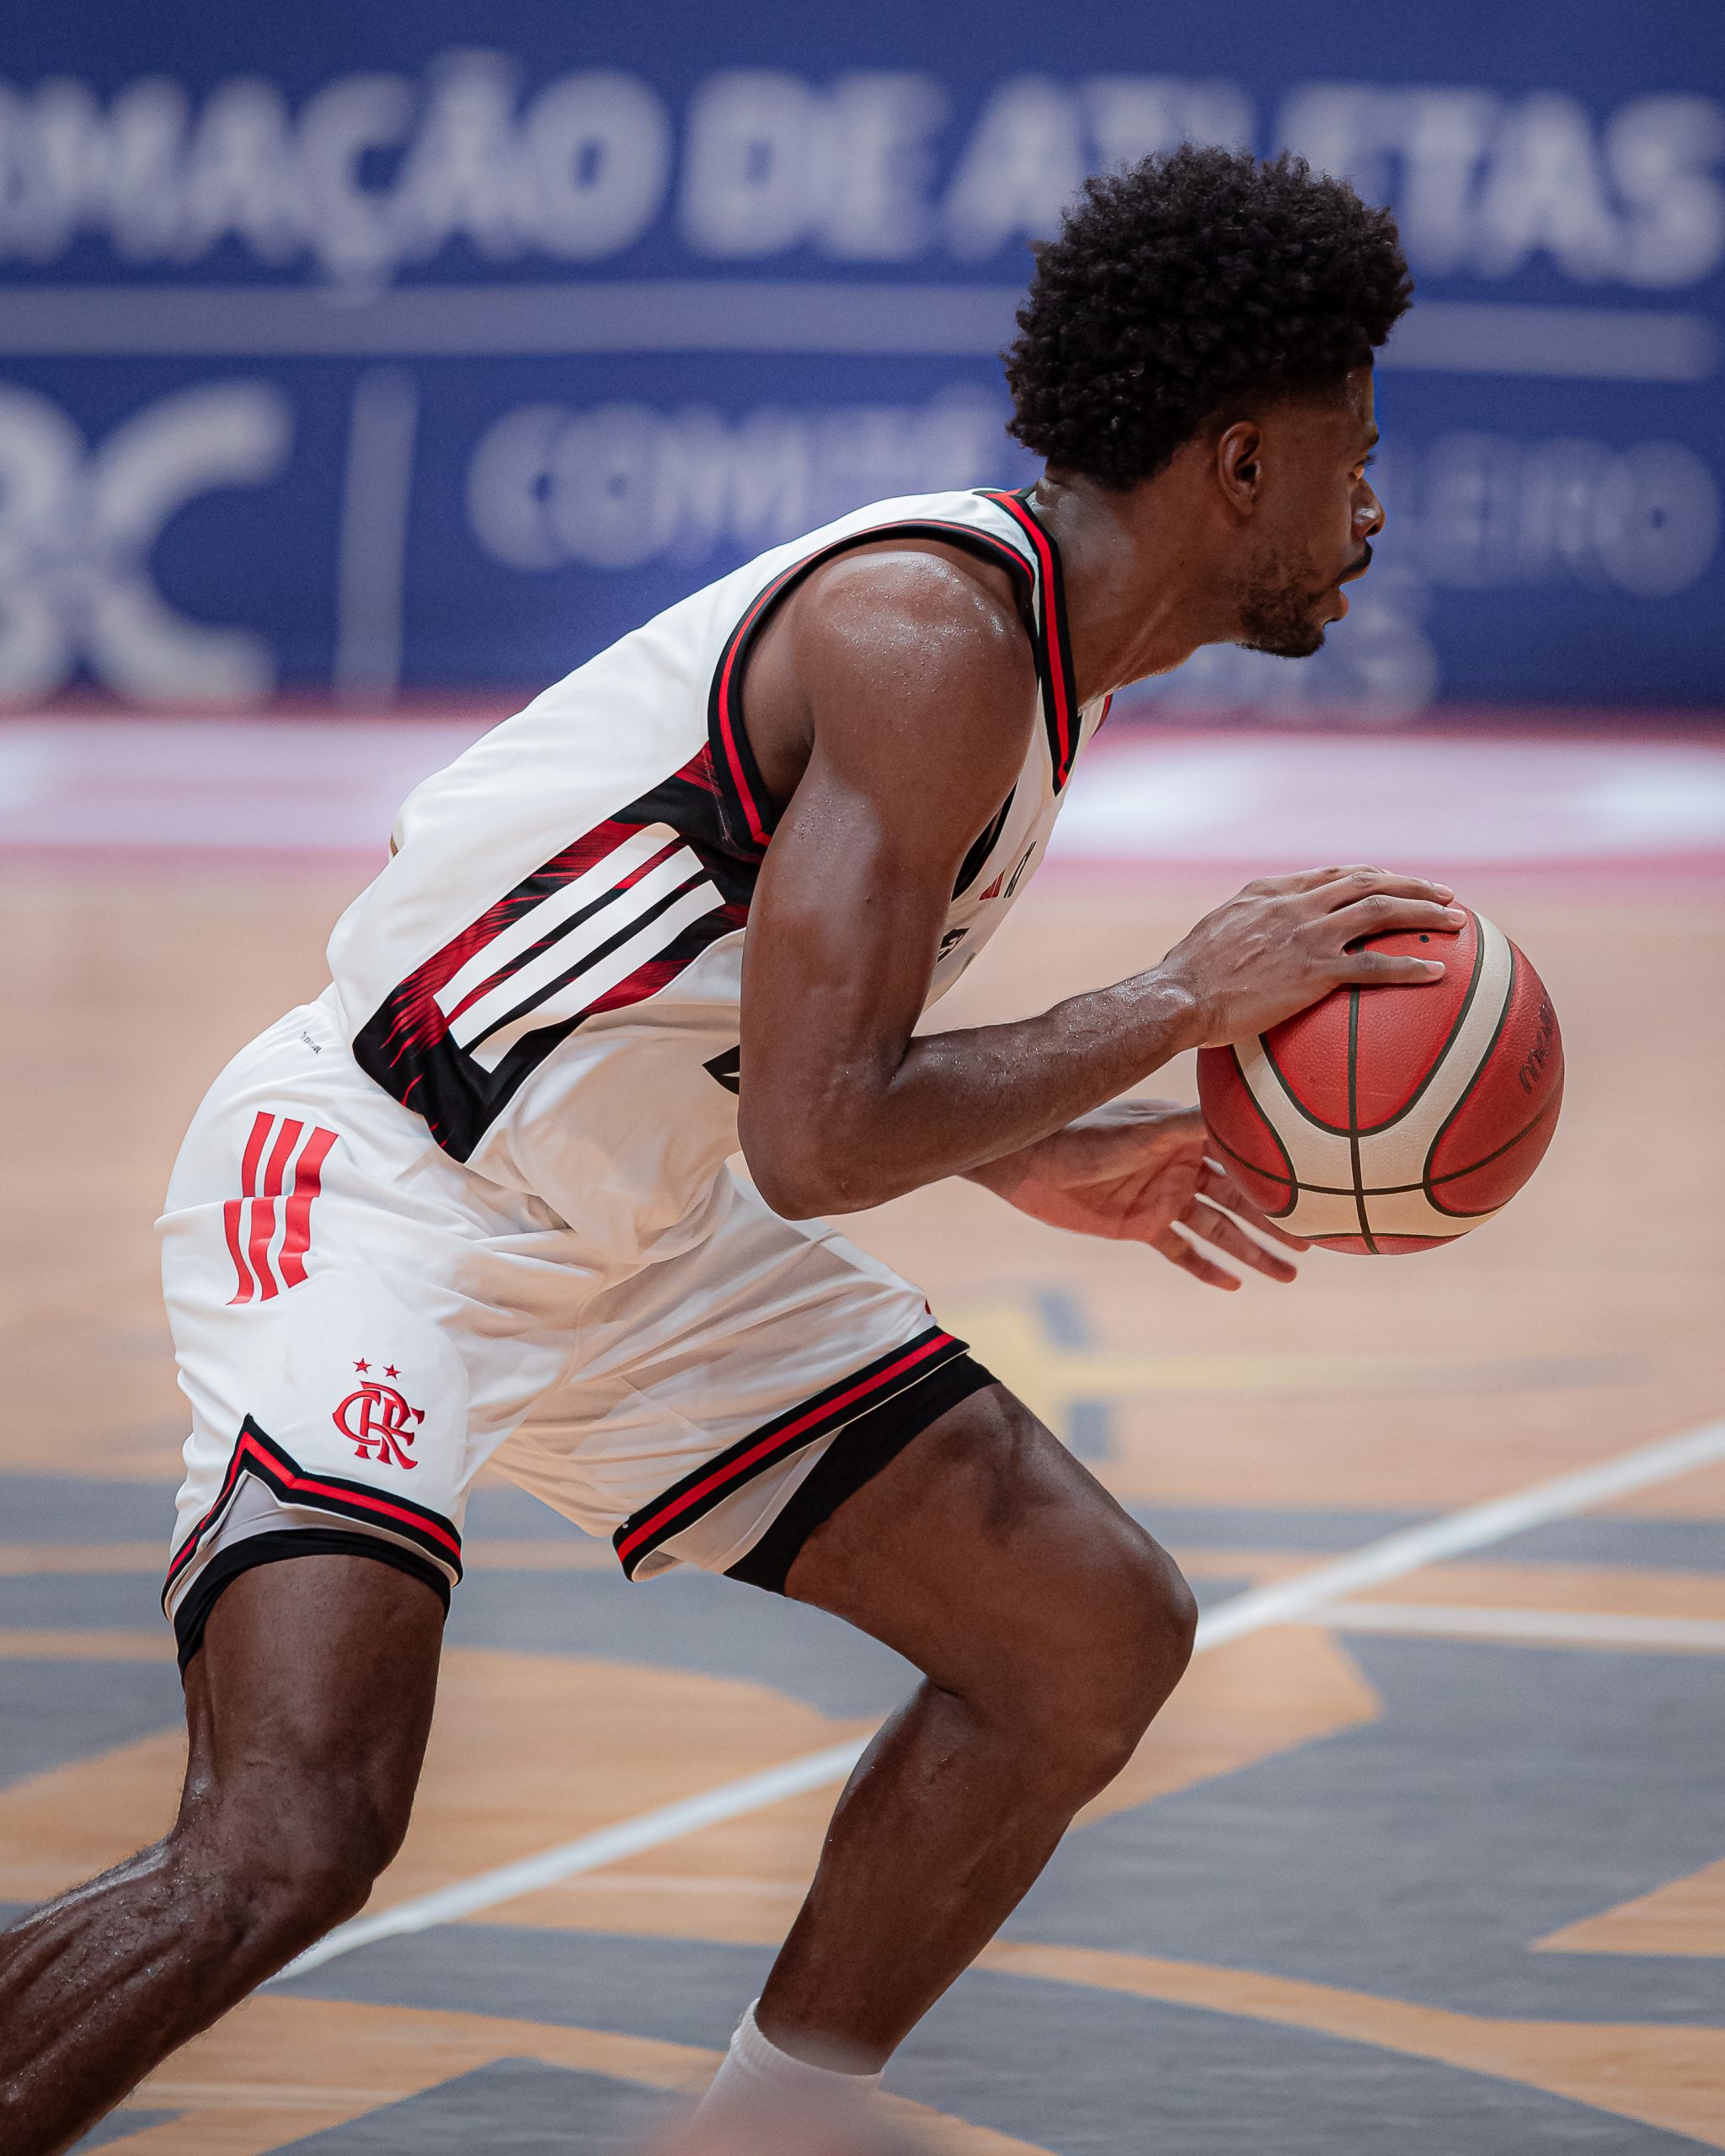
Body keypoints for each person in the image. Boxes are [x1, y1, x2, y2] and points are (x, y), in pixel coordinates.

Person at [0, 145, 1456, 2153]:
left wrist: (1021, 1138)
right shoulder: (929, 634)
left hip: (636, 1227)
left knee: (1081, 1630)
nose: (1370, 502)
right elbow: (822, 1132)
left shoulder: (1041, 661)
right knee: (291, 1833)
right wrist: (1172, 999)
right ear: (1235, 463)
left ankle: (764, 2136)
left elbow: (768, 1035)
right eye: (1350, 451)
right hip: (388, 1192)